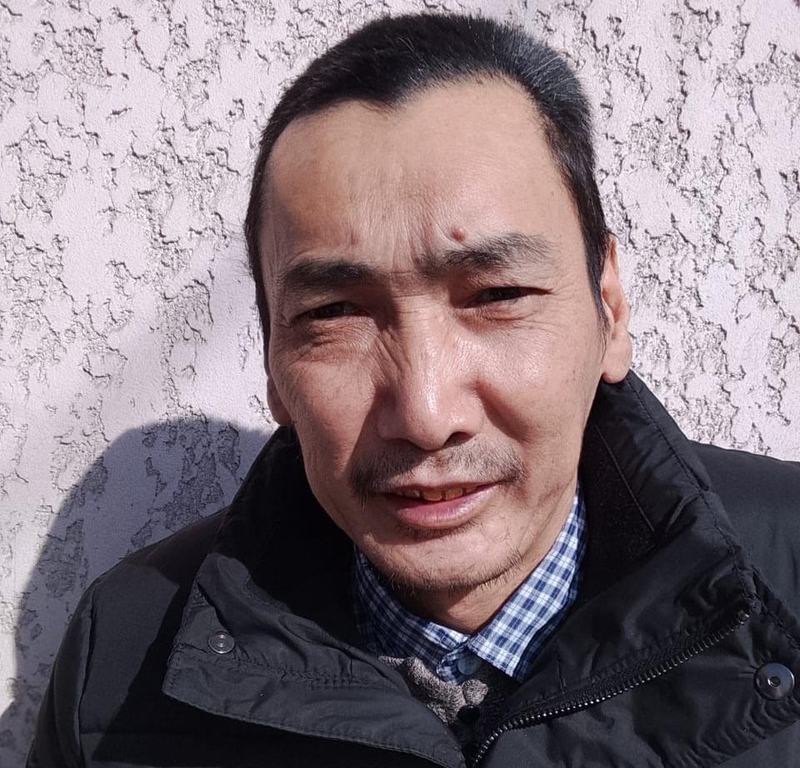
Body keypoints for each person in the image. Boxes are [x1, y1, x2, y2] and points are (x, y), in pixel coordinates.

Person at [28, 12, 800, 768]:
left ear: (611, 309)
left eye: (497, 295)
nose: (427, 416)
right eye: (334, 313)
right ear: (272, 362)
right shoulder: (122, 662)